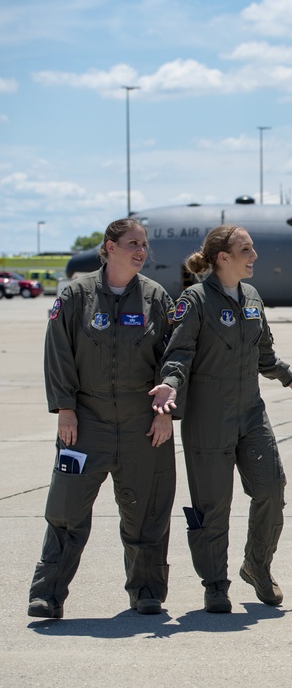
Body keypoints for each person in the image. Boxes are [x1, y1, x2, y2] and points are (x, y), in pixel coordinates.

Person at [149, 225, 292, 613]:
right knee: (213, 505)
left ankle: (257, 565)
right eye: (246, 250)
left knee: (271, 489)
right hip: (209, 416)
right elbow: (178, 355)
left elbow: (265, 354)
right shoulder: (194, 301)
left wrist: (291, 379)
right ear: (223, 258)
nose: (254, 256)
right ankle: (215, 584)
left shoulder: (253, 298)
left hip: (250, 412)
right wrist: (170, 384)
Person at [28, 219, 176, 619]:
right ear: (109, 247)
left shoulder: (156, 298)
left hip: (142, 426)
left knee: (146, 513)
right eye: (132, 243)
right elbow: (58, 352)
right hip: (85, 423)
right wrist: (64, 408)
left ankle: (146, 592)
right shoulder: (76, 295)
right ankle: (48, 595)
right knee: (66, 511)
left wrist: (166, 415)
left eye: (144, 244)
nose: (141, 251)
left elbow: (173, 361)